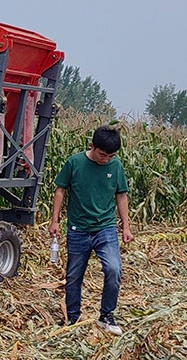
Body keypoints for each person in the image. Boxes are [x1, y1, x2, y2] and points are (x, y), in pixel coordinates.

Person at [48, 125, 134, 335]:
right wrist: (55, 220)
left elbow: (121, 195)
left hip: (105, 228)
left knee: (114, 269)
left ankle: (106, 315)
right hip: (78, 229)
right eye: (103, 154)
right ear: (92, 146)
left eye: (110, 156)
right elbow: (60, 190)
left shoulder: (115, 166)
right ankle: (73, 318)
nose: (106, 160)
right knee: (74, 275)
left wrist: (126, 226)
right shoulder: (75, 163)